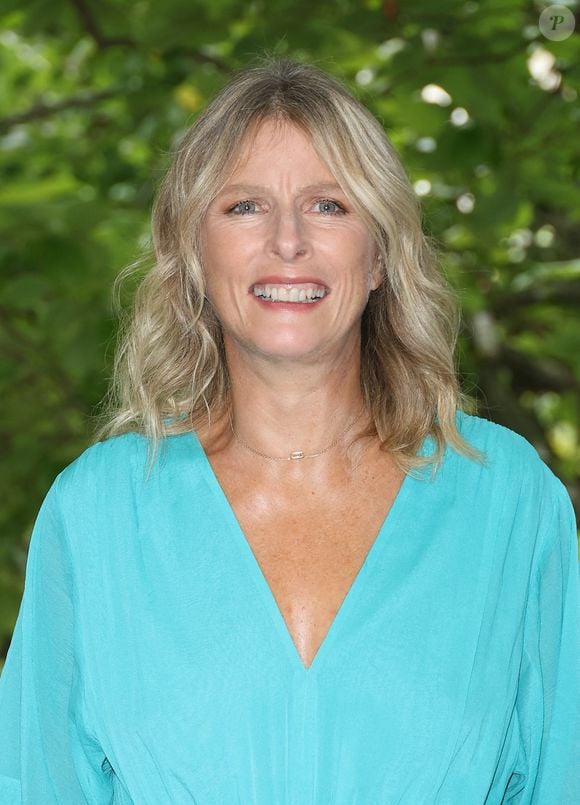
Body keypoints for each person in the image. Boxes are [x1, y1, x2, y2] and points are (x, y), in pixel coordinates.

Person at [0, 56, 578, 805]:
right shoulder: (97, 514)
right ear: (195, 257)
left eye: (329, 205)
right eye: (244, 206)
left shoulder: (507, 498)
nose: (288, 241)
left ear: (380, 257)